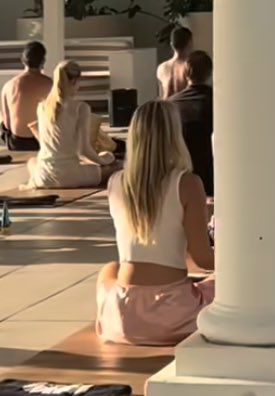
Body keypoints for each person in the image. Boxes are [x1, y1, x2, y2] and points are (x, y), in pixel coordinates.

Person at [96, 100, 214, 346]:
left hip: (123, 317)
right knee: (220, 285)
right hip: (172, 315)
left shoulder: (116, 182)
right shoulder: (187, 183)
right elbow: (202, 259)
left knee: (109, 269)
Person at [27, 61, 117, 189]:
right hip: (70, 176)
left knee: (32, 162)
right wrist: (103, 161)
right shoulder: (81, 108)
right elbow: (83, 150)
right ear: (74, 81)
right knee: (116, 167)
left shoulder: (42, 107)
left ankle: (38, 179)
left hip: (44, 177)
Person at [169, 50, 214, 196]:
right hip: (211, 177)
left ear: (185, 74)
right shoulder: (218, 103)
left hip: (178, 178)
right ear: (210, 73)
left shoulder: (171, 105)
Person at [0, 41, 52, 152]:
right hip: (42, 142)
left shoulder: (8, 86)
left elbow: (7, 124)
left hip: (17, 143)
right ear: (43, 61)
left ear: (22, 60)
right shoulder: (49, 84)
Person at [157, 27, 194, 99]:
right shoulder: (190, 67)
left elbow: (161, 97)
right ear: (190, 43)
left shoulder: (161, 68)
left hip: (166, 108)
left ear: (172, 45)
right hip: (183, 108)